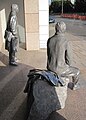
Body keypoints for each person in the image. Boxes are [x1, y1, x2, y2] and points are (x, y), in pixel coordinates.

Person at [47, 21, 80, 90]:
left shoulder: (50, 40)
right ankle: (75, 86)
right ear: (64, 29)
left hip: (50, 68)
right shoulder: (66, 41)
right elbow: (69, 59)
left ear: (56, 29)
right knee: (77, 71)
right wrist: (67, 65)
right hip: (61, 69)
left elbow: (49, 55)